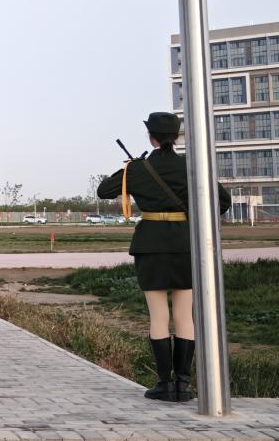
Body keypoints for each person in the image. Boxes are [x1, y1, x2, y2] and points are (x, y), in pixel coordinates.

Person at [97, 112, 231, 403]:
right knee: (184, 316)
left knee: (159, 316)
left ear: (151, 137)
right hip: (185, 244)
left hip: (151, 245)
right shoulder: (193, 166)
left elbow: (104, 190)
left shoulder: (139, 168)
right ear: (177, 136)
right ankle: (183, 384)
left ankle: (164, 383)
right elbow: (223, 201)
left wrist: (132, 169)